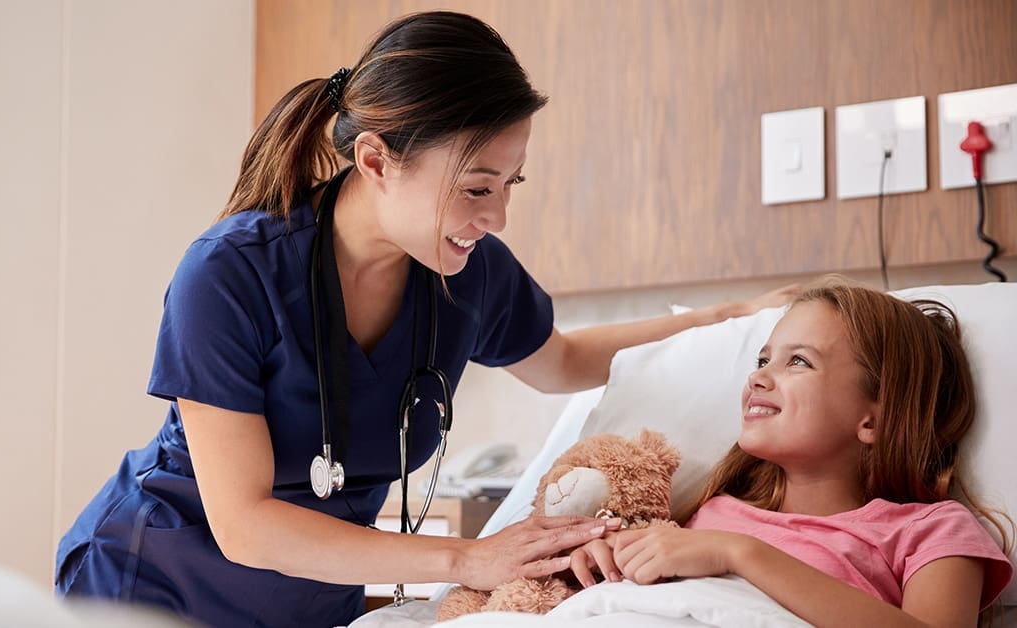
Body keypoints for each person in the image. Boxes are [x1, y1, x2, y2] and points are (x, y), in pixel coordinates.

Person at [54, 11, 796, 627]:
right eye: (477, 187)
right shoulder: (230, 273)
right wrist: (468, 559)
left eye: (511, 184)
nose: (497, 214)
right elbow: (245, 523)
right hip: (153, 589)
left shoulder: (469, 273)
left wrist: (731, 319)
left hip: (308, 603)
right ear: (375, 160)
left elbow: (563, 362)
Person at [568, 280, 1014, 626]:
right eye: (762, 361)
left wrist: (740, 554)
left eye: (797, 361)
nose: (758, 379)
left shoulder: (930, 532)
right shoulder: (712, 513)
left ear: (873, 420)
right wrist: (605, 564)